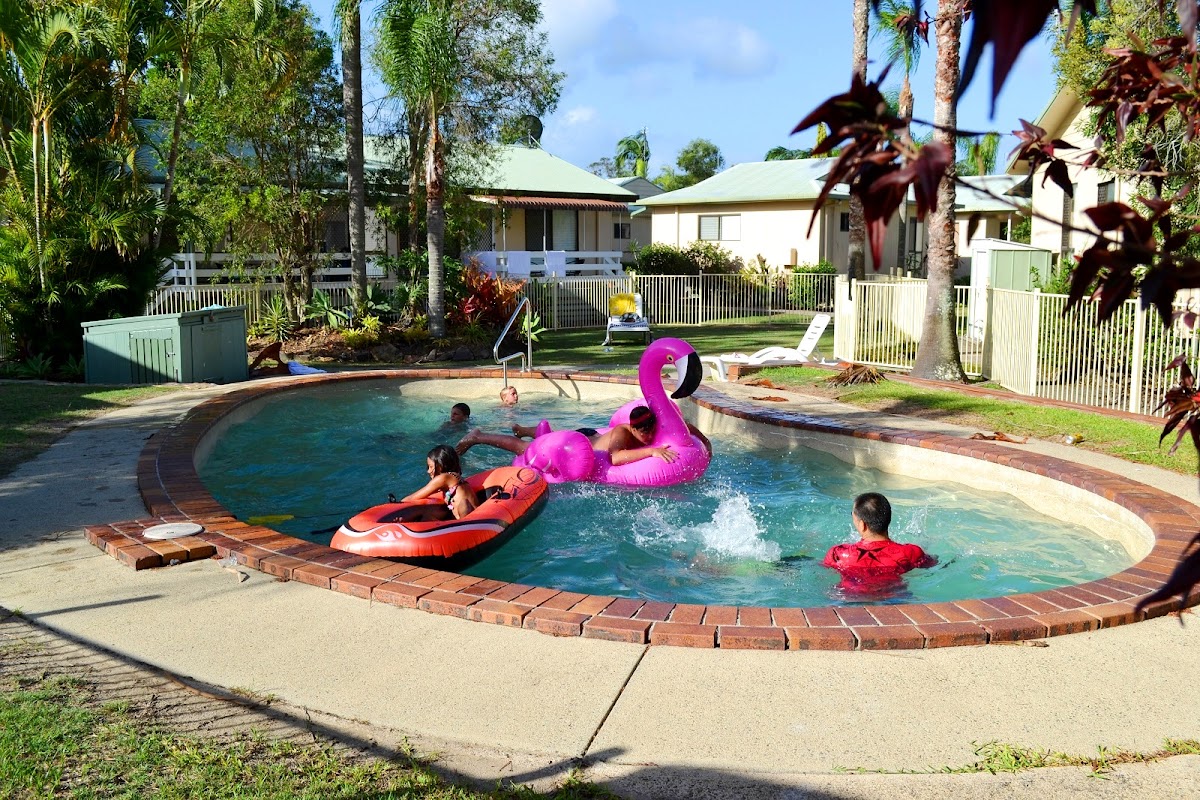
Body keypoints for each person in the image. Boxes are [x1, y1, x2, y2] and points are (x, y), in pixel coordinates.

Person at [457, 405, 677, 465]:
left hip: (588, 436)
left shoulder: (648, 426)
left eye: (652, 431)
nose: (650, 436)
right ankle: (478, 437)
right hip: (576, 446)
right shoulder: (622, 431)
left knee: (547, 437)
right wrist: (651, 451)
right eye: (645, 433)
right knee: (526, 449)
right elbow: (615, 457)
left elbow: (681, 425)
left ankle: (524, 430)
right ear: (633, 428)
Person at [822, 493, 935, 589]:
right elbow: (932, 564)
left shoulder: (838, 554)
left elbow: (822, 572)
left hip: (849, 599)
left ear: (862, 525)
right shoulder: (911, 552)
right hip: (895, 599)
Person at [400, 444, 479, 522]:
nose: (428, 471)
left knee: (425, 517)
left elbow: (413, 497)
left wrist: (396, 505)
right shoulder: (455, 477)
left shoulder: (443, 478)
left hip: (467, 522)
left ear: (440, 466)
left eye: (431, 467)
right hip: (474, 518)